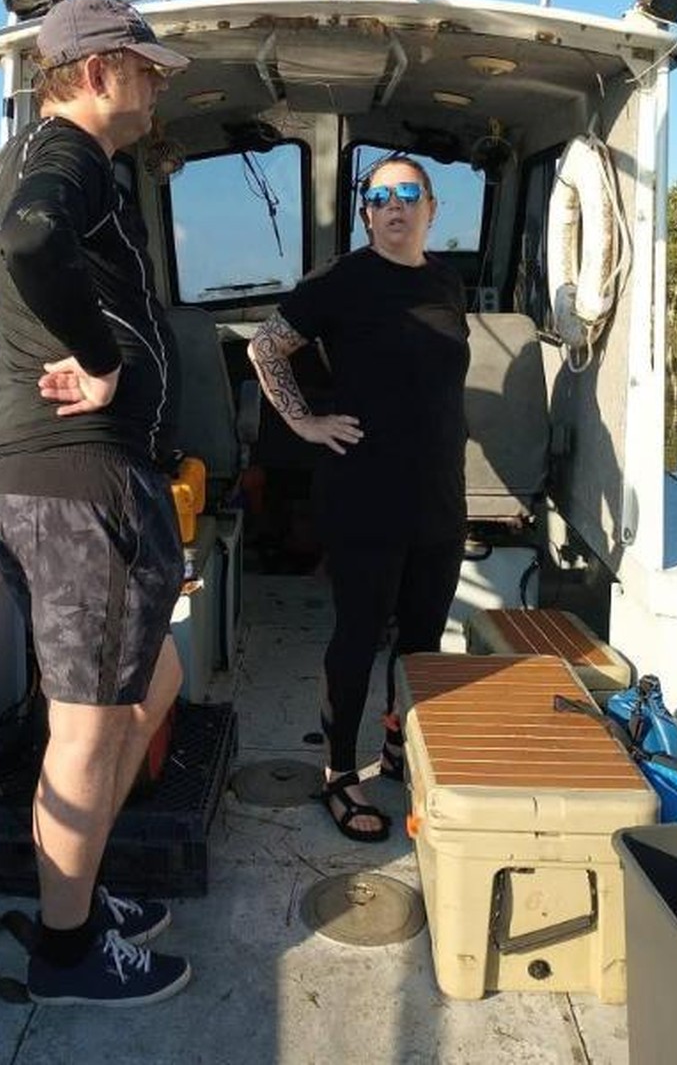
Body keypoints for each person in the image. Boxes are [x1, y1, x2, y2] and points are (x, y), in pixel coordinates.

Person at [0, 0, 193, 1005]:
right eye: (147, 68)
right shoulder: (66, 153)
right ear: (101, 69)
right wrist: (104, 362)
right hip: (78, 480)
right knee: (91, 729)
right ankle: (66, 954)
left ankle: (79, 890)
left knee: (156, 683)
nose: (157, 83)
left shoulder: (41, 152)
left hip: (67, 482)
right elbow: (28, 243)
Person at [246, 156, 469, 841]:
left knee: (424, 641)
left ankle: (401, 743)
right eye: (380, 196)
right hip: (364, 491)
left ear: (431, 207)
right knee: (357, 637)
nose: (394, 205)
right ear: (367, 213)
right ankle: (340, 772)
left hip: (439, 494)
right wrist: (305, 421)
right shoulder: (342, 280)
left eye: (408, 193)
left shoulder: (447, 282)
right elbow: (265, 347)